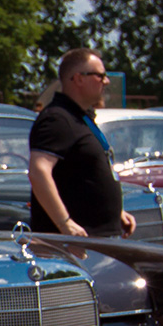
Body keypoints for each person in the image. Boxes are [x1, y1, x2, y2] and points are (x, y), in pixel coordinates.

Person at [27, 48, 136, 238]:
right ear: (78, 79)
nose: (106, 81)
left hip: (98, 239)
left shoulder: (81, 117)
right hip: (73, 244)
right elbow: (38, 172)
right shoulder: (57, 119)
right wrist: (65, 223)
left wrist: (116, 212)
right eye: (100, 76)